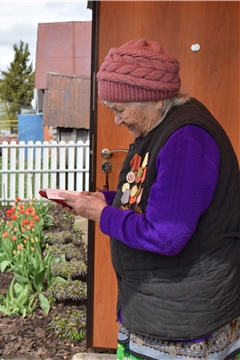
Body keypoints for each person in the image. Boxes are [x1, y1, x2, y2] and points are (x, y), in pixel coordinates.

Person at [61, 39, 240, 359]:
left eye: (119, 109)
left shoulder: (186, 139)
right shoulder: (163, 129)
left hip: (183, 316)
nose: (116, 120)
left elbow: (166, 234)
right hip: (166, 306)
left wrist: (102, 213)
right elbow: (160, 196)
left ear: (154, 100)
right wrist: (105, 198)